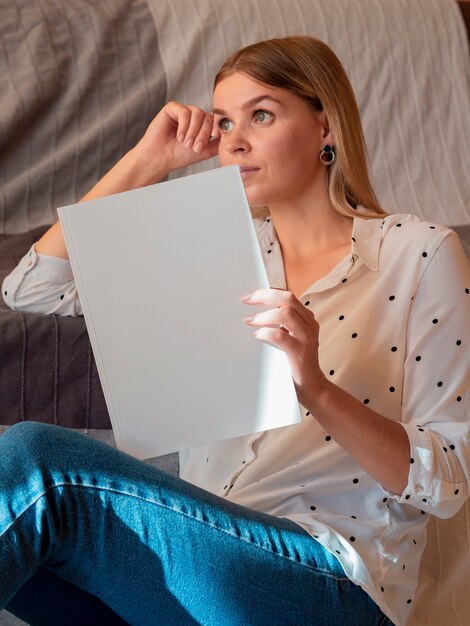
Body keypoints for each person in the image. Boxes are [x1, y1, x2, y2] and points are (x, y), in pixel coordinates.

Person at [1, 36, 469, 626]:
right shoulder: (209, 251)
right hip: (198, 563)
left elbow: (448, 481)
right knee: (17, 508)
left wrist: (316, 389)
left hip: (332, 581)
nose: (235, 141)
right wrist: (149, 160)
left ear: (326, 126)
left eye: (262, 115)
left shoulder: (419, 252)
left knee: (35, 458)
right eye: (224, 123)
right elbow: (33, 291)